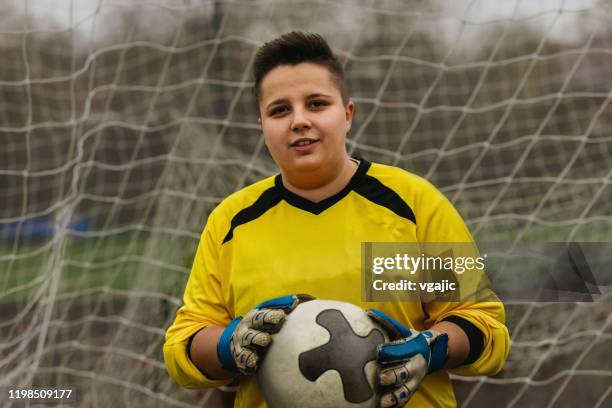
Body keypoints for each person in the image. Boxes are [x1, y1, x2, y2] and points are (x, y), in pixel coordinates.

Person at [163, 31, 509, 407]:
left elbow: (482, 325)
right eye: (279, 110)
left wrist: (431, 349)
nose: (299, 121)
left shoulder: (412, 204)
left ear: (347, 115)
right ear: (261, 125)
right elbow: (184, 344)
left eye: (316, 104)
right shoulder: (232, 222)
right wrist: (230, 344)